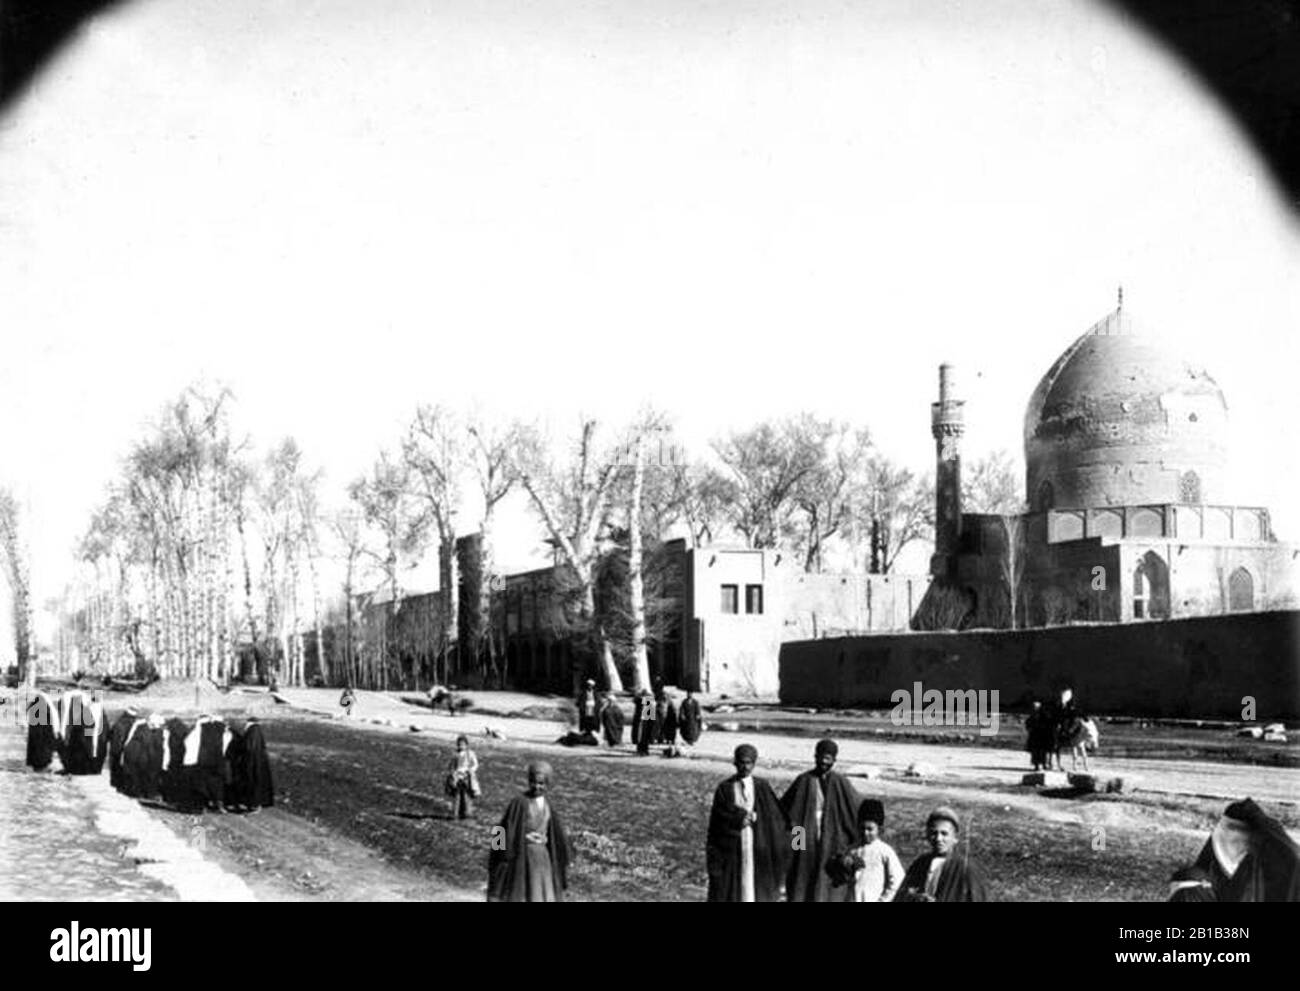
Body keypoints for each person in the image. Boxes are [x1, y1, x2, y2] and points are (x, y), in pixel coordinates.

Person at [779, 738, 861, 902]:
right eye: (821, 757)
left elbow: (857, 810)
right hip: (804, 835)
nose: (824, 762)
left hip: (832, 839)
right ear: (815, 756)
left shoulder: (840, 782)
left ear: (834, 760)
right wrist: (797, 846)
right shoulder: (804, 780)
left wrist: (848, 843)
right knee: (801, 873)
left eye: (828, 759)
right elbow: (788, 812)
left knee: (828, 881)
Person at [705, 744, 789, 902]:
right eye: (741, 762)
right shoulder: (725, 788)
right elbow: (718, 821)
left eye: (749, 763)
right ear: (735, 763)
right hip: (734, 847)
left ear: (754, 764)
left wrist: (799, 842)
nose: (745, 766)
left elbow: (775, 817)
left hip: (756, 845)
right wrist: (739, 818)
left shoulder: (761, 787)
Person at [487, 760, 571, 902]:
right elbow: (501, 828)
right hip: (522, 857)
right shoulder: (519, 802)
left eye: (541, 784)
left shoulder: (548, 805)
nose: (537, 787)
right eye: (534, 782)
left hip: (543, 859)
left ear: (548, 784)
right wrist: (496, 854)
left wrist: (564, 854)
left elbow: (558, 835)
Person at [1191, 797, 1300, 901]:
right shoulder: (1219, 846)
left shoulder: (1280, 857)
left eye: (1237, 829)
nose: (1232, 836)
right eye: (1229, 828)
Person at [897, 806, 988, 902]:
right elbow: (901, 896)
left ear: (955, 837)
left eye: (944, 834)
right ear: (927, 835)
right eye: (934, 833)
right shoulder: (920, 864)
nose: (938, 839)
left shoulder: (966, 868)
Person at [832, 799, 905, 903]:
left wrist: (883, 900)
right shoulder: (852, 850)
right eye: (862, 828)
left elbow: (897, 881)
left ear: (880, 829)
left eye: (870, 829)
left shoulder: (885, 852)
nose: (865, 833)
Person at [24, 688, 63, 771]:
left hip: (40, 730)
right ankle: (41, 765)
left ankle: (40, 765)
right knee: (42, 747)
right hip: (43, 731)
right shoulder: (44, 700)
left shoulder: (41, 699)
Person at [445, 735, 481, 819]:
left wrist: (470, 771)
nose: (461, 746)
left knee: (467, 795)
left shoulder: (470, 753)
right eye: (459, 744)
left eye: (463, 744)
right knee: (457, 796)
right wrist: (453, 774)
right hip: (457, 778)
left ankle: (467, 813)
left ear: (467, 745)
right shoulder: (455, 754)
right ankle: (456, 814)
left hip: (467, 777)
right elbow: (451, 766)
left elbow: (475, 764)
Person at [108, 705, 140, 789]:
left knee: (116, 764)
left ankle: (115, 782)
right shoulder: (135, 724)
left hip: (116, 747)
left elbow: (111, 734)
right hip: (127, 749)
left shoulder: (119, 722)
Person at [1024, 699, 1054, 772]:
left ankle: (1044, 764)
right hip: (1034, 736)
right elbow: (1028, 724)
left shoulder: (1044, 716)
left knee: (1043, 752)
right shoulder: (1032, 716)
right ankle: (1037, 765)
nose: (1035, 708)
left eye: (1036, 707)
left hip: (1042, 736)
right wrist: (1030, 729)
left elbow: (1048, 724)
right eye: (1034, 707)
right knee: (1035, 752)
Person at [631, 688, 656, 756]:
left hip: (644, 721)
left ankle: (642, 750)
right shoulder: (648, 701)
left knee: (642, 737)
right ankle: (643, 750)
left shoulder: (646, 702)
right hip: (645, 721)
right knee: (643, 737)